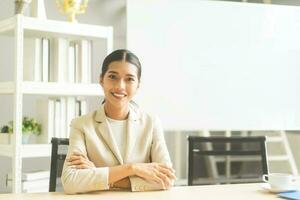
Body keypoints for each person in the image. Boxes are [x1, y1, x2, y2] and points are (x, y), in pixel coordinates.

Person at [61, 49, 176, 194]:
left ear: (138, 85)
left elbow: (167, 179)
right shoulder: (81, 125)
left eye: (129, 79)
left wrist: (99, 174)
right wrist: (132, 168)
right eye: (113, 77)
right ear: (101, 80)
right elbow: (71, 182)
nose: (120, 86)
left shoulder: (151, 123)